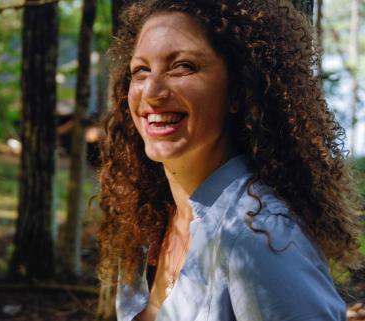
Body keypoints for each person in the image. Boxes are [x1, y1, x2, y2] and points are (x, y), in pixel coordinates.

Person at [97, 0, 363, 320]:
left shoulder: (257, 232)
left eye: (183, 66)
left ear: (239, 90)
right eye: (141, 70)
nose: (152, 91)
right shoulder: (151, 219)